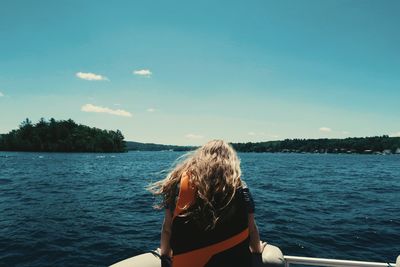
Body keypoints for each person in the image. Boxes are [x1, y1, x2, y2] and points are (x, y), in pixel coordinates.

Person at [149, 140, 266, 267]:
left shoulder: (177, 185)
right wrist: (257, 251)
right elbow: (252, 229)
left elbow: (167, 229)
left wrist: (165, 255)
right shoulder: (240, 188)